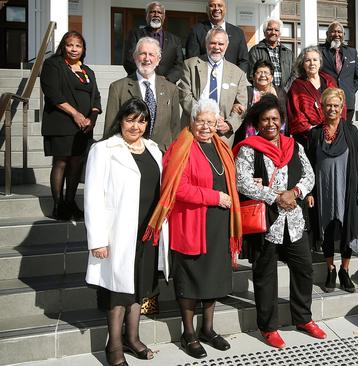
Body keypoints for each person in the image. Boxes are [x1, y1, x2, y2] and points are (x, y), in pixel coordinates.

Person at [143, 98, 243, 358]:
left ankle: (207, 329)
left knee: (212, 279)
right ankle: (188, 333)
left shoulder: (221, 145)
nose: (206, 127)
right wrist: (215, 197)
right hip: (191, 223)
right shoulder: (181, 146)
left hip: (218, 225)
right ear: (192, 120)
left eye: (211, 122)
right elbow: (178, 188)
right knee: (190, 281)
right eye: (201, 121)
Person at [234, 95, 324, 350]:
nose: (270, 123)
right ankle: (268, 326)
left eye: (275, 118)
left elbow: (309, 174)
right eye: (265, 119)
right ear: (258, 123)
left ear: (282, 121)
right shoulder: (249, 148)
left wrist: (294, 193)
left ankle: (303, 318)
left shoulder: (294, 146)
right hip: (267, 222)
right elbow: (243, 182)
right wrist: (275, 196)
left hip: (294, 221)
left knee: (304, 269)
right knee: (265, 275)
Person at [84, 98, 169, 366]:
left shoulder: (154, 149)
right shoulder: (103, 149)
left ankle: (133, 338)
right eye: (130, 119)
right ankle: (115, 345)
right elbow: (93, 196)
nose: (136, 125)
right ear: (120, 120)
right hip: (118, 234)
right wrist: (97, 239)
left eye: (142, 120)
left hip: (147, 232)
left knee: (140, 288)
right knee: (118, 292)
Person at [306, 88, 358, 293]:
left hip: (347, 189)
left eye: (336, 106)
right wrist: (310, 192)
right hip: (323, 191)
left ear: (342, 108)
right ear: (322, 108)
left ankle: (345, 270)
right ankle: (330, 269)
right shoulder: (315, 134)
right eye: (328, 105)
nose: (332, 109)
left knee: (347, 228)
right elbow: (308, 164)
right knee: (327, 230)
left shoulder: (351, 131)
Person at [40, 31, 101, 221]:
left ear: (83, 49)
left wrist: (92, 118)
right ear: (63, 46)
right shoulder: (53, 64)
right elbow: (53, 93)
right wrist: (75, 114)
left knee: (77, 163)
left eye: (78, 45)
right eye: (70, 45)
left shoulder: (87, 71)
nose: (74, 49)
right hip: (61, 122)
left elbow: (96, 97)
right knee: (62, 162)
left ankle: (71, 201)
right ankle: (58, 205)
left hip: (83, 126)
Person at [104, 37, 181, 151]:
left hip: (162, 155)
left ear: (158, 59)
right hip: (129, 153)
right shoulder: (118, 88)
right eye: (142, 54)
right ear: (135, 57)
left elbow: (175, 128)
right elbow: (110, 127)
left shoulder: (171, 89)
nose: (147, 58)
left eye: (151, 54)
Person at [179, 28, 248, 146]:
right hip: (196, 129)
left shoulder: (238, 73)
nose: (217, 47)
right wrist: (205, 118)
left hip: (223, 135)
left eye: (221, 44)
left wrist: (229, 124)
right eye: (213, 43)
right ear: (206, 44)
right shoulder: (190, 65)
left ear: (226, 46)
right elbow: (185, 96)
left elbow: (241, 104)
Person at [286, 45, 343, 145]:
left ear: (320, 63)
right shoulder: (297, 85)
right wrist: (314, 130)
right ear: (302, 64)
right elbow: (295, 113)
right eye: (308, 60)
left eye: (315, 60)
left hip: (333, 133)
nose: (312, 63)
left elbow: (341, 103)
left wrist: (335, 126)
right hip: (308, 137)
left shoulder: (330, 81)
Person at [122, 2, 184, 83]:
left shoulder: (175, 40)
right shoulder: (135, 35)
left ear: (164, 17)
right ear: (146, 16)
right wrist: (146, 77)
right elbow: (128, 60)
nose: (156, 14)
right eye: (152, 12)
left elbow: (179, 65)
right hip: (139, 83)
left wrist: (167, 79)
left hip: (166, 85)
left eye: (159, 12)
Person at [233, 60, 288, 146]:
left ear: (272, 77)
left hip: (277, 139)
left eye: (266, 73)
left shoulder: (280, 93)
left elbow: (285, 116)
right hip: (250, 139)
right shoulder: (246, 91)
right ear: (253, 77)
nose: (263, 75)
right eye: (259, 72)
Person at [185, 0, 248, 71]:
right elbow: (192, 59)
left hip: (231, 79)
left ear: (225, 9)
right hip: (205, 78)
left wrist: (235, 78)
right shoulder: (196, 31)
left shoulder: (238, 33)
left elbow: (243, 61)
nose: (216, 8)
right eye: (212, 5)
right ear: (207, 9)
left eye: (220, 5)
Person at [318, 22, 358, 122]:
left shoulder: (352, 52)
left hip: (347, 101)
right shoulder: (319, 51)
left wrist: (350, 90)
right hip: (327, 102)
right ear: (327, 34)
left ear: (343, 35)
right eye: (333, 31)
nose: (337, 34)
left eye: (339, 32)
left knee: (345, 131)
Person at [247, 19, 294, 89]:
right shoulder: (255, 51)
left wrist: (285, 90)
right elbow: (251, 75)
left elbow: (295, 74)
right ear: (264, 32)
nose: (273, 32)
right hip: (264, 94)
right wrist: (268, 89)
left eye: (276, 30)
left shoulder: (288, 53)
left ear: (280, 33)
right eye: (270, 29)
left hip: (285, 95)